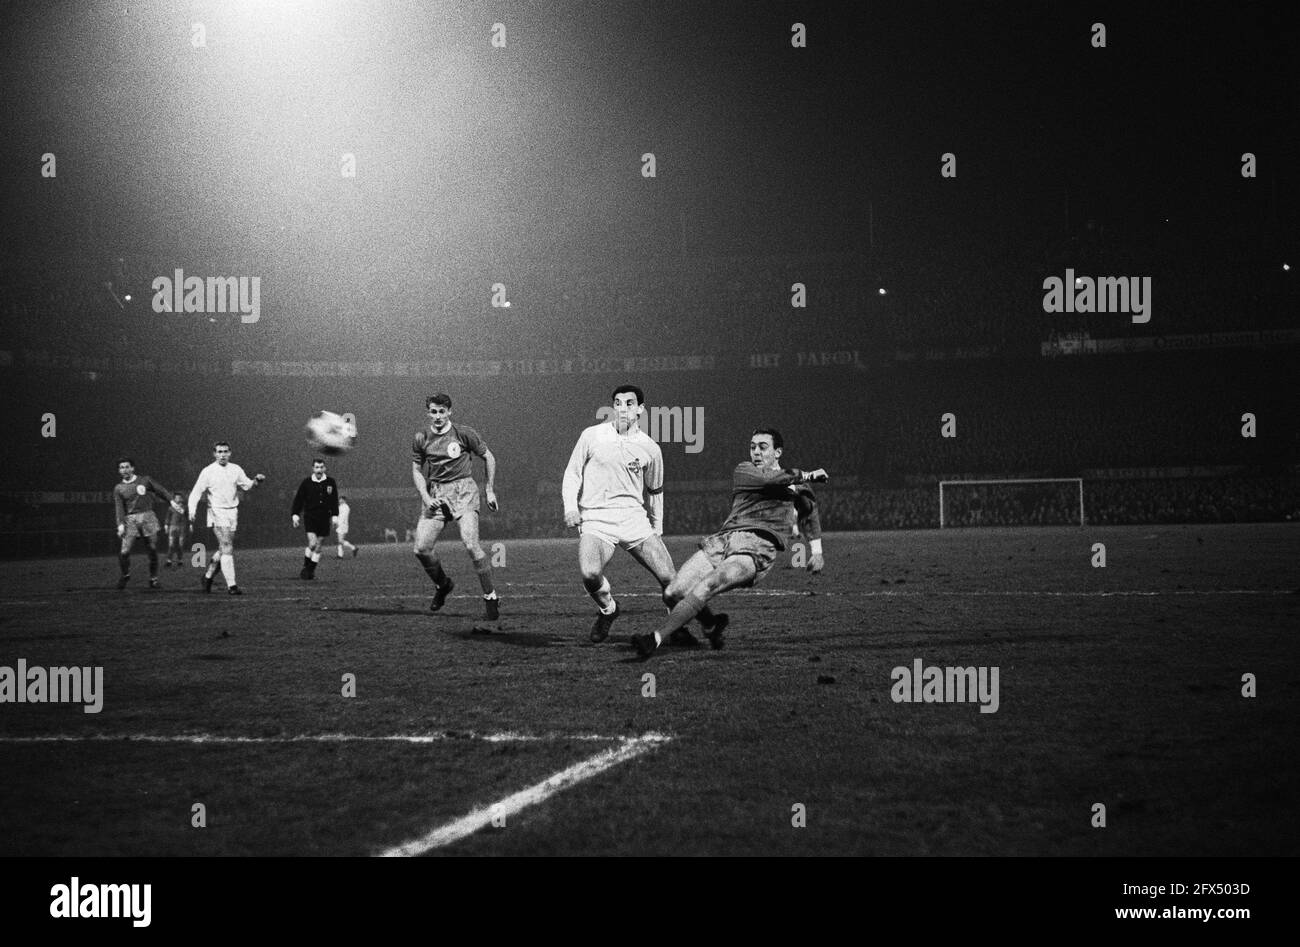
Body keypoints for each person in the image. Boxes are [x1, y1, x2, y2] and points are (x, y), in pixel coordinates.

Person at [630, 428, 826, 658]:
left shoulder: (797, 485)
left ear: (777, 452)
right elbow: (769, 480)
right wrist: (808, 475)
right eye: (752, 446)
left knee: (708, 585)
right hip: (722, 541)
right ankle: (712, 624)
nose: (756, 452)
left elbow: (809, 513)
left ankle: (655, 638)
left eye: (763, 447)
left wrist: (816, 550)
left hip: (757, 546)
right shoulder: (745, 471)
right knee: (673, 592)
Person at [562, 384, 719, 644]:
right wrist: (570, 507)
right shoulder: (592, 436)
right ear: (613, 407)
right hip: (597, 519)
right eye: (618, 403)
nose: (623, 408)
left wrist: (656, 529)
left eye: (629, 403)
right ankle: (609, 610)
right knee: (590, 575)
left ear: (640, 409)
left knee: (671, 579)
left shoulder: (650, 448)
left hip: (635, 520)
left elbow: (655, 491)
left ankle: (677, 626)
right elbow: (572, 473)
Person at [411, 394, 500, 620]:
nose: (438, 416)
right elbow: (416, 470)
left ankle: (490, 595)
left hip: (464, 491)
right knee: (421, 549)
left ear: (449, 411)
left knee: (470, 544)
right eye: (433, 411)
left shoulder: (464, 433)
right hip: (436, 493)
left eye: (442, 411)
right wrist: (425, 497)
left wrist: (489, 489)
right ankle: (443, 585)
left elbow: (489, 457)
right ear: (428, 413)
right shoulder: (421, 437)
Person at [187, 442, 266, 595]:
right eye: (219, 452)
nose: (222, 454)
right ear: (214, 454)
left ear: (230, 453)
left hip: (232, 512)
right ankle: (232, 586)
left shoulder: (236, 469)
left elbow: (248, 486)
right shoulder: (208, 471)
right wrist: (192, 510)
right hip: (216, 511)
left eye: (225, 451)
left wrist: (256, 481)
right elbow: (196, 492)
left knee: (224, 549)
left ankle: (208, 576)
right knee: (227, 545)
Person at [113, 458, 183, 589]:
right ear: (119, 470)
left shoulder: (145, 480)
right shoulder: (118, 488)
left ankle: (153, 579)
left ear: (133, 468)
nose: (125, 470)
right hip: (130, 520)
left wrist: (172, 502)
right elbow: (119, 508)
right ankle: (125, 575)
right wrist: (120, 524)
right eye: (122, 467)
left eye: (127, 467)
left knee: (151, 549)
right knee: (124, 552)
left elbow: (161, 490)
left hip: (148, 517)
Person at [291, 458, 339, 580]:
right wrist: (295, 515)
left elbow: (334, 500)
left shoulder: (330, 482)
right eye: (317, 467)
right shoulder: (306, 483)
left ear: (325, 468)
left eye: (321, 467)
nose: (319, 469)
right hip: (310, 516)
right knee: (312, 544)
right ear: (313, 468)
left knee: (319, 546)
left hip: (324, 517)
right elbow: (299, 500)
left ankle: (309, 570)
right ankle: (306, 567)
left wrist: (335, 516)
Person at [164, 495, 188, 568]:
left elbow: (187, 517)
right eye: (177, 497)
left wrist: (190, 525)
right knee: (171, 545)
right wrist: (166, 526)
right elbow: (168, 517)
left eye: (180, 497)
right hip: (172, 527)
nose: (179, 499)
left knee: (180, 545)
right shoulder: (171, 508)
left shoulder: (185, 507)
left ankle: (180, 561)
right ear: (174, 499)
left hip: (182, 527)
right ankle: (169, 561)